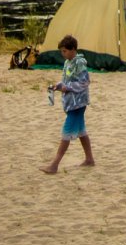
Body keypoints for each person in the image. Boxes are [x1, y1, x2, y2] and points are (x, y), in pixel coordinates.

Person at [40, 34, 95, 174]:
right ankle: (89, 159)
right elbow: (67, 80)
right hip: (71, 103)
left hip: (78, 103)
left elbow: (84, 82)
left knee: (66, 132)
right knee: (82, 131)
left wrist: (68, 87)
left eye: (64, 51)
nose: (62, 54)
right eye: (61, 51)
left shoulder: (79, 63)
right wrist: (58, 86)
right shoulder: (67, 63)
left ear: (73, 49)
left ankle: (54, 165)